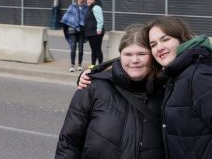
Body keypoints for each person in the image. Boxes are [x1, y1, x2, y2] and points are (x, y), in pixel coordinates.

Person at [79, 16, 212, 158]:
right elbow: (130, 65)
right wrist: (93, 72)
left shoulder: (200, 76)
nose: (160, 48)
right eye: (153, 44)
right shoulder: (174, 77)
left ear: (182, 39)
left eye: (165, 39)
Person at [55, 24, 164, 159]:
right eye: (128, 54)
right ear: (120, 56)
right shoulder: (92, 87)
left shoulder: (167, 90)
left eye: (142, 54)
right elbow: (69, 143)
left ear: (153, 56)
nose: (134, 60)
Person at [61, 0, 88, 72]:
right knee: (73, 48)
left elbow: (87, 18)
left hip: (82, 30)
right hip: (72, 30)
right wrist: (67, 25)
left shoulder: (86, 7)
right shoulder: (72, 6)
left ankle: (79, 65)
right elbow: (67, 17)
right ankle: (72, 65)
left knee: (81, 48)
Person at [84, 0, 104, 66]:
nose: (89, 1)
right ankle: (93, 65)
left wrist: (99, 29)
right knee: (93, 50)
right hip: (90, 33)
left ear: (94, 1)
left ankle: (101, 65)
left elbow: (100, 19)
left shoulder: (96, 7)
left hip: (96, 33)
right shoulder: (89, 8)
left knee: (97, 49)